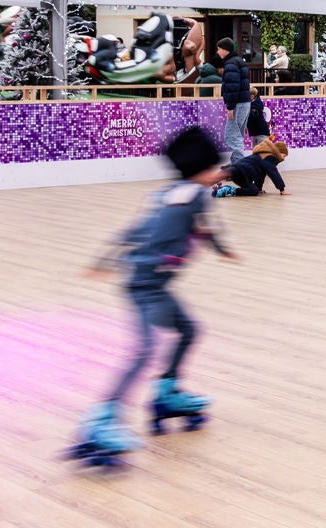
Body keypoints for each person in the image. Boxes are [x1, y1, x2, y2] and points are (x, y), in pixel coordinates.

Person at [66, 126, 235, 466]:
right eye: (215, 169)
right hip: (147, 286)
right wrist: (221, 249)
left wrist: (104, 260)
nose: (219, 173)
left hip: (152, 283)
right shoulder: (193, 196)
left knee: (189, 330)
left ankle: (166, 393)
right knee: (144, 351)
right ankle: (99, 422)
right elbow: (202, 228)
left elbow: (133, 230)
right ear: (200, 170)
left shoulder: (167, 194)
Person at [214, 137, 288, 198]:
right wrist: (282, 189)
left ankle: (227, 190)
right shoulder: (269, 157)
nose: (283, 159)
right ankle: (216, 185)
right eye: (283, 155)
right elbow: (274, 173)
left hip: (241, 174)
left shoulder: (264, 155)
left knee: (254, 191)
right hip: (239, 170)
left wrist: (259, 189)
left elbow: (261, 175)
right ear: (278, 152)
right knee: (216, 177)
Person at [216, 37, 251, 162]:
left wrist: (230, 107)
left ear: (225, 50)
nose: (217, 51)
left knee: (232, 135)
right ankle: (235, 164)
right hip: (245, 102)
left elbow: (232, 86)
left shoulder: (231, 64)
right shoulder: (239, 61)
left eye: (219, 49)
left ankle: (240, 166)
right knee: (238, 134)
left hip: (238, 104)